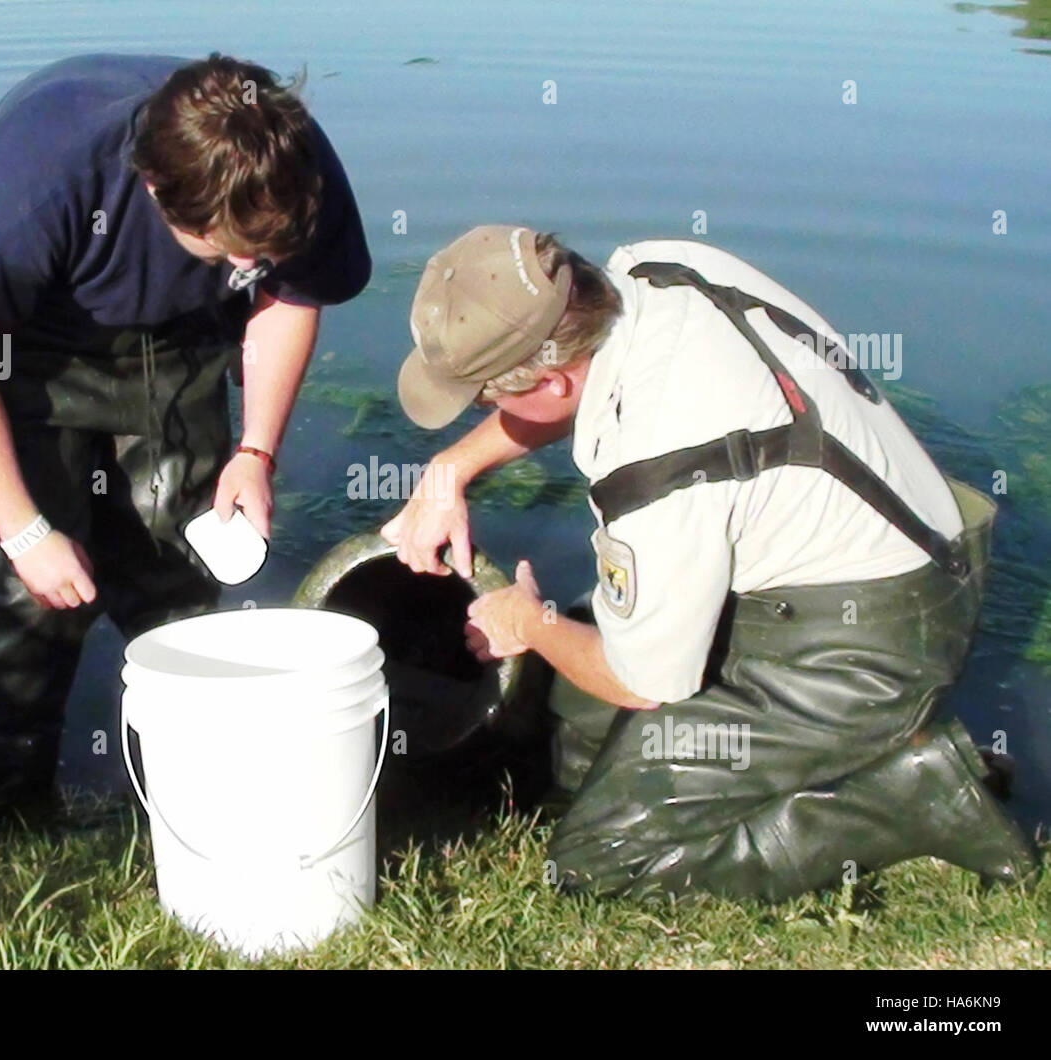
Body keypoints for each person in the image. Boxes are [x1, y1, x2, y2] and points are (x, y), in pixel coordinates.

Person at [381, 225, 1038, 901]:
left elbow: (643, 682)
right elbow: (570, 390)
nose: (481, 410)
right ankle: (729, 779)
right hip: (902, 548)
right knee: (571, 719)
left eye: (484, 397)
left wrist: (530, 622)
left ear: (548, 380)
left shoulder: (658, 472)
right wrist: (449, 469)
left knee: (602, 858)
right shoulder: (655, 270)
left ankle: (915, 793)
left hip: (866, 648)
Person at [0, 53, 370, 828]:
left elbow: (288, 296)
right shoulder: (41, 185)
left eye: (261, 253)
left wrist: (256, 451)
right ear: (157, 189)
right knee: (37, 598)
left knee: (179, 574)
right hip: (26, 334)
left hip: (182, 332)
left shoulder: (294, 172)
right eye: (233, 251)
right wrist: (27, 532)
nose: (251, 267)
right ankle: (21, 816)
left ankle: (184, 805)